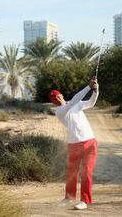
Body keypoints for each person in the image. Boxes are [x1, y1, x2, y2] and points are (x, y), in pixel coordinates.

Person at [49, 77, 99, 210]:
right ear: (53, 103)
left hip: (90, 142)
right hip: (73, 145)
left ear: (61, 95)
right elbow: (73, 102)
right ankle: (69, 198)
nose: (57, 100)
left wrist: (95, 90)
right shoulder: (60, 111)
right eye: (54, 100)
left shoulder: (75, 103)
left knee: (86, 172)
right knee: (72, 172)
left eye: (57, 97)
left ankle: (84, 201)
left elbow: (91, 103)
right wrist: (88, 87)